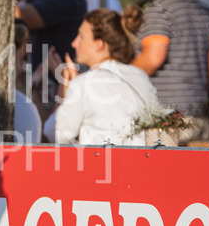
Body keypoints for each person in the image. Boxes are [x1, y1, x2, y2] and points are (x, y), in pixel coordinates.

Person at [45, 9, 157, 146]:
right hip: (142, 157)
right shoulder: (141, 76)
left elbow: (52, 135)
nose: (74, 43)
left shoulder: (83, 83)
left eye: (81, 36)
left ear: (99, 44)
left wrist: (64, 85)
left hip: (103, 159)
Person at [131, 0, 209, 116]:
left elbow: (153, 58)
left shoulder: (159, 9)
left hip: (168, 115)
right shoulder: (203, 11)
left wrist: (122, 74)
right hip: (197, 107)